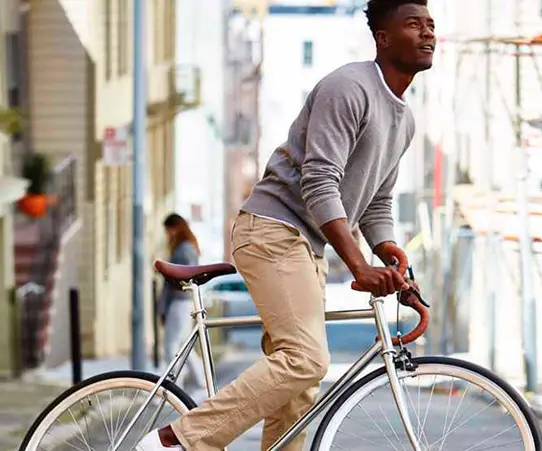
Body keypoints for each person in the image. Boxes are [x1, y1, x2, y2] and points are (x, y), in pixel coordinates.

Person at [136, 0, 435, 447]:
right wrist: (358, 266)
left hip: (305, 245)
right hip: (273, 230)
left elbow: (376, 201)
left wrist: (385, 248)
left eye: (431, 24)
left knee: (298, 392)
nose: (428, 33)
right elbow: (319, 183)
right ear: (383, 37)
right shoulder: (348, 88)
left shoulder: (404, 119)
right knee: (306, 359)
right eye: (414, 24)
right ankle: (176, 440)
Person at [159, 213, 206, 390]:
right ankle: (202, 380)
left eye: (168, 230)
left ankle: (173, 387)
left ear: (175, 228)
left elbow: (185, 277)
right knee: (184, 346)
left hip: (179, 302)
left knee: (171, 347)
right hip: (185, 302)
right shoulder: (189, 247)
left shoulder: (183, 249)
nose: (168, 235)